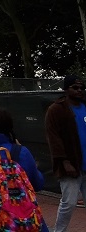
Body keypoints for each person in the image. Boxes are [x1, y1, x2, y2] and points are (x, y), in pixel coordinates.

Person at [45, 75, 86, 232]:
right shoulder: (56, 109)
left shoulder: (85, 106)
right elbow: (53, 137)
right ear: (66, 89)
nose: (79, 91)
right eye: (75, 87)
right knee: (69, 203)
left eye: (82, 88)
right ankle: (59, 230)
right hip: (71, 164)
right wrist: (64, 161)